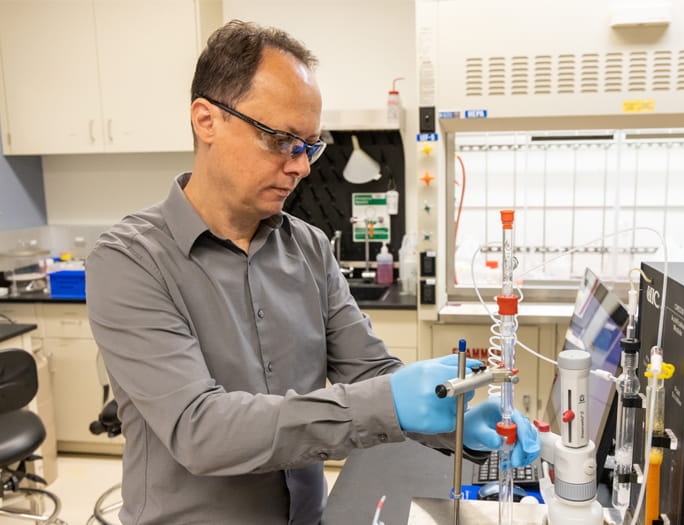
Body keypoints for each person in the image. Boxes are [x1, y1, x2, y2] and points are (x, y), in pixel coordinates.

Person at [86, 20, 539, 525]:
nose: (300, 167)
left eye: (309, 146)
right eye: (281, 140)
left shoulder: (308, 247)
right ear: (206, 120)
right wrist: (388, 400)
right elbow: (201, 431)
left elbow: (368, 373)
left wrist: (458, 428)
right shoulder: (129, 260)